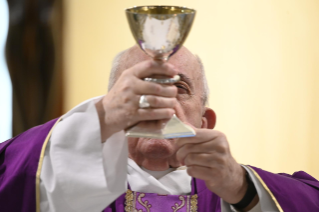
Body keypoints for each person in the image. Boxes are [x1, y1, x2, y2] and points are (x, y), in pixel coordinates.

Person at [1, 45, 319, 212]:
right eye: (142, 88)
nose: (160, 103)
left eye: (179, 87)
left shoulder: (237, 194)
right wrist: (101, 115)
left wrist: (242, 188)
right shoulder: (63, 188)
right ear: (110, 112)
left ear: (205, 122)